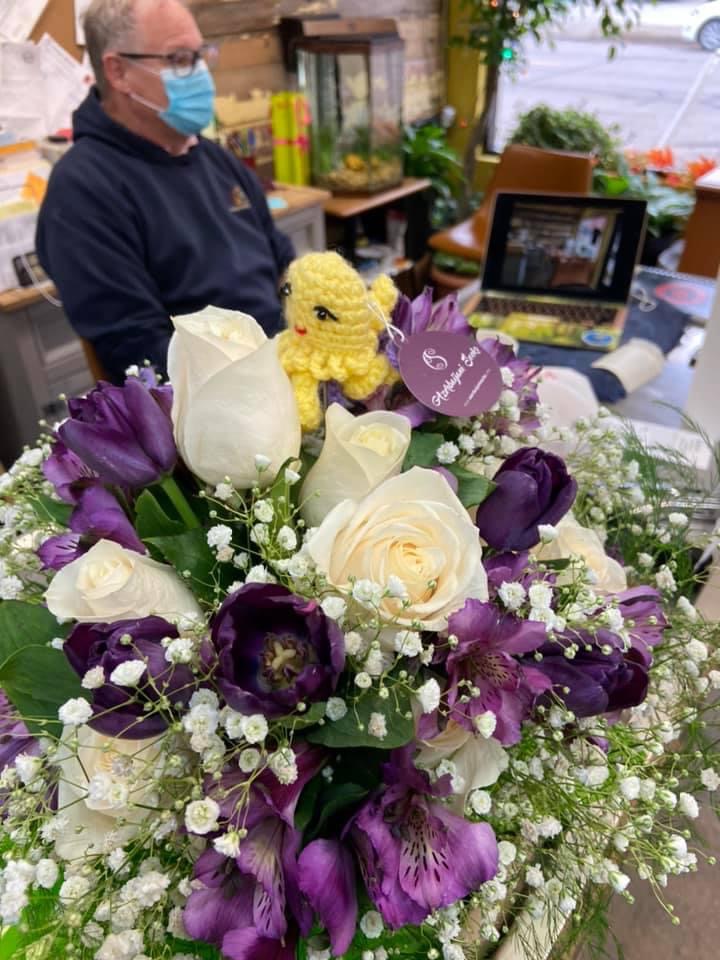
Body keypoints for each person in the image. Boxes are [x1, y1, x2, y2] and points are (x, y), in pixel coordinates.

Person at [36, 0, 295, 382]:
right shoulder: (83, 192)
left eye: (201, 55)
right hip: (214, 397)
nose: (201, 72)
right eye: (180, 59)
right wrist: (269, 378)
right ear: (118, 71)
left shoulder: (214, 159)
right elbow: (140, 353)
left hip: (287, 363)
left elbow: (285, 266)